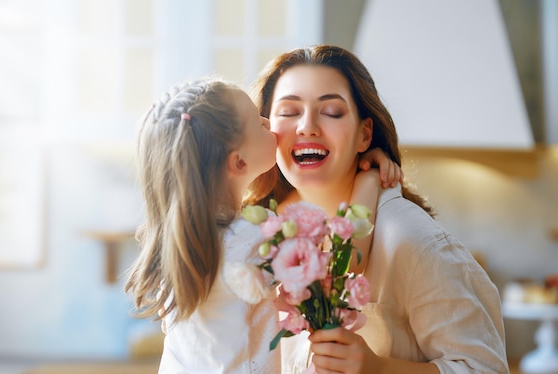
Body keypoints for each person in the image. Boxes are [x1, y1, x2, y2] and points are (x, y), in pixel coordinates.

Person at [246, 45, 508, 374]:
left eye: (331, 111)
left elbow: (486, 368)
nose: (307, 126)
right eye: (289, 111)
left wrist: (380, 369)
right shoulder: (260, 235)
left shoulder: (413, 241)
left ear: (364, 134)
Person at [124, 77, 401, 373]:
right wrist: (369, 179)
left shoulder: (179, 244)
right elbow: (341, 265)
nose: (268, 123)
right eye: (258, 123)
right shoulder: (253, 237)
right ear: (239, 163)